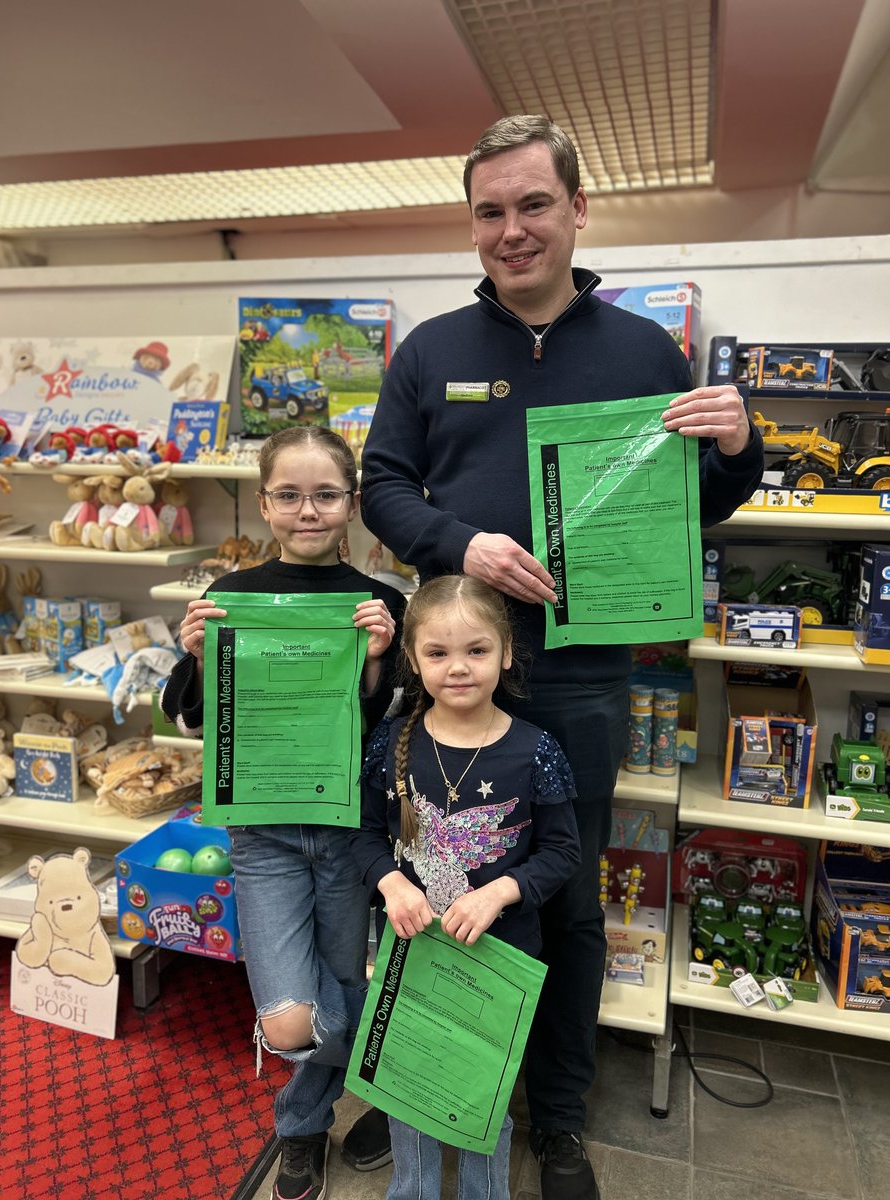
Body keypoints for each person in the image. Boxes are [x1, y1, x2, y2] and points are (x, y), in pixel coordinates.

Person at [360, 115, 765, 1200]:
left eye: (533, 204)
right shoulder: (431, 351)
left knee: (560, 894)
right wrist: (462, 544)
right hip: (449, 664)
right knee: (429, 881)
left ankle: (557, 1114)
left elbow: (697, 509)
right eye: (490, 211)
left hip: (580, 677)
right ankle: (421, 1078)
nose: (512, 229)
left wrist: (738, 445)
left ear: (578, 210)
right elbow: (382, 488)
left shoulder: (640, 350)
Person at [161, 425, 407, 1200]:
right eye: (291, 496)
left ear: (353, 505)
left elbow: (391, 731)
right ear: (264, 504)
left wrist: (377, 668)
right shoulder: (228, 598)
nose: (310, 511)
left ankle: (300, 1131)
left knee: (327, 988)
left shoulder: (380, 603)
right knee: (289, 1023)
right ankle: (401, 1053)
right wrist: (198, 654)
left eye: (326, 495)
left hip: (349, 838)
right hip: (263, 835)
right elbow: (192, 720)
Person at [350, 575, 581, 1200]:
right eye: (438, 653)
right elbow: (364, 840)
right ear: (412, 659)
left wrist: (499, 891)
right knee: (407, 1090)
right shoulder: (390, 745)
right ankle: (414, 1191)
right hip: (411, 952)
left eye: (476, 651)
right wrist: (393, 884)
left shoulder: (536, 751)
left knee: (487, 1095)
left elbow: (563, 853)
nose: (458, 668)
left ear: (507, 653)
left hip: (500, 958)